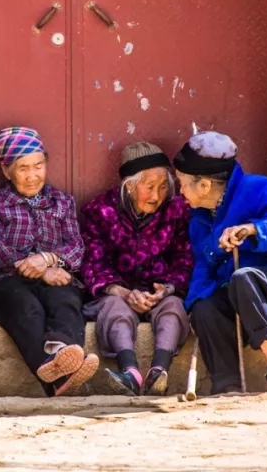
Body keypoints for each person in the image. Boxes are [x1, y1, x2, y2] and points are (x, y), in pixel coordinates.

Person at [174, 131, 267, 395]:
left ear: (203, 185)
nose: (179, 191)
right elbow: (203, 267)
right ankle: (228, 387)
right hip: (240, 299)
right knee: (204, 308)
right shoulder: (199, 219)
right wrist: (192, 305)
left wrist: (253, 230)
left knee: (243, 277)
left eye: (181, 183)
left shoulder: (257, 189)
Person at [0, 127, 97, 397]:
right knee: (26, 307)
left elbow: (76, 247)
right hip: (7, 281)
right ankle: (59, 376)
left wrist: (48, 258)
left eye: (38, 166)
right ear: (6, 170)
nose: (33, 176)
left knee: (65, 299)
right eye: (23, 168)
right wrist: (40, 270)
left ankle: (61, 354)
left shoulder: (62, 202)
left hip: (55, 276)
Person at [81, 142, 193, 396]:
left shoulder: (177, 210)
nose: (157, 196)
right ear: (129, 185)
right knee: (115, 308)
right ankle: (129, 372)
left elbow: (185, 258)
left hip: (159, 291)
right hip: (116, 291)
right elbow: (93, 263)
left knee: (174, 307)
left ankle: (159, 371)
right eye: (149, 187)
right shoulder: (99, 211)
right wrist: (122, 292)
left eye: (163, 187)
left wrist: (168, 288)